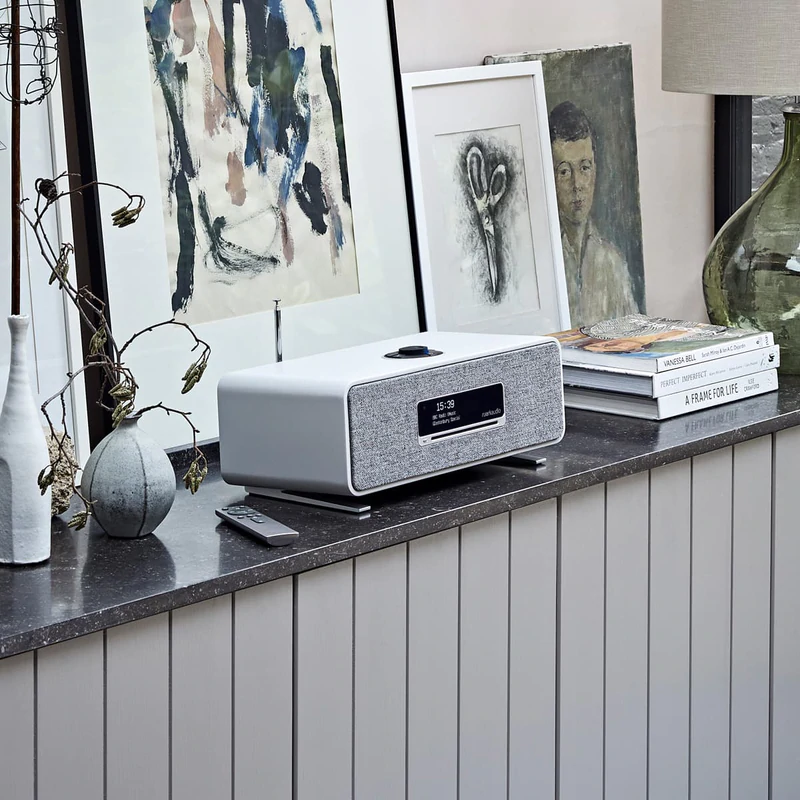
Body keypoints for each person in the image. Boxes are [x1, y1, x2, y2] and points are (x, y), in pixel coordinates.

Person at [549, 101, 638, 325]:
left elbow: (634, 335)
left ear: (595, 172)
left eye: (584, 168)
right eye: (564, 171)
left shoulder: (612, 262)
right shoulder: (544, 265)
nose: (577, 184)